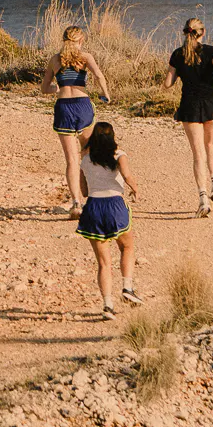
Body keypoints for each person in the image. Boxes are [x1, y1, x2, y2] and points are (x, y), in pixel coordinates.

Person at [162, 17, 213, 217]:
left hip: (190, 105)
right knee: (211, 145)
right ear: (203, 32)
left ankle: (202, 198)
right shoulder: (212, 51)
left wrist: (173, 75)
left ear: (185, 32)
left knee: (198, 152)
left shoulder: (177, 54)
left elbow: (168, 83)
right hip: (211, 101)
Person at [73, 121, 142, 316]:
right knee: (126, 246)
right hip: (114, 204)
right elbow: (127, 175)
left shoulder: (85, 161)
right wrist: (135, 189)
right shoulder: (119, 155)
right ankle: (127, 287)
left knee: (103, 262)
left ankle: (107, 305)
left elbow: (84, 191)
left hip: (94, 207)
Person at [45, 23, 112, 212]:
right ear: (81, 40)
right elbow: (99, 75)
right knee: (88, 151)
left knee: (71, 160)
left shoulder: (55, 60)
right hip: (82, 106)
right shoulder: (85, 57)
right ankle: (92, 194)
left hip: (64, 107)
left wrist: (56, 88)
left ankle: (76, 202)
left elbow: (44, 88)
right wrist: (106, 94)